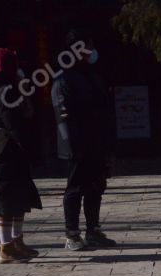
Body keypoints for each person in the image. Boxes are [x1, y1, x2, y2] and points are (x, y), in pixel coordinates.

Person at [0, 48, 42, 263]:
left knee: (18, 200)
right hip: (7, 155)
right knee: (6, 202)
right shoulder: (6, 92)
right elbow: (15, 125)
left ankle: (17, 242)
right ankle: (6, 247)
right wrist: (31, 148)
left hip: (3, 155)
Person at [52, 29, 116, 251]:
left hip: (96, 143)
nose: (92, 50)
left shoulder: (91, 75)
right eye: (88, 45)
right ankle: (72, 234)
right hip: (78, 145)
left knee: (95, 187)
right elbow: (64, 117)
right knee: (75, 188)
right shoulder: (65, 79)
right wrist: (73, 146)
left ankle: (93, 230)